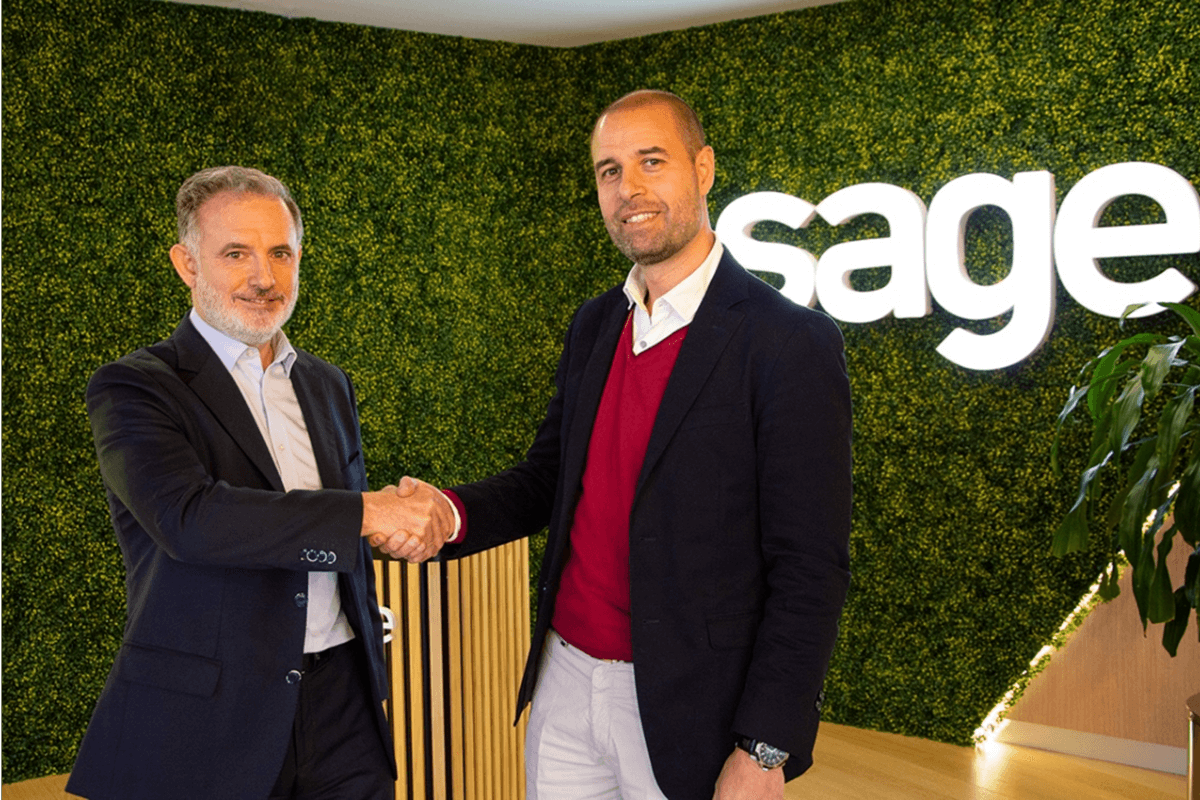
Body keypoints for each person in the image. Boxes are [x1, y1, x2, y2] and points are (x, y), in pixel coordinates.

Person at [378, 90, 853, 798]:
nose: (628, 188)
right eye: (609, 170)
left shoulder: (788, 342)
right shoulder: (596, 324)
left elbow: (810, 567)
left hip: (693, 705)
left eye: (651, 162)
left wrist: (764, 747)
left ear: (703, 168)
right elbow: (548, 478)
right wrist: (447, 514)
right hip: (564, 683)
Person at [67, 166, 452, 800]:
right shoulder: (135, 386)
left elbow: (333, 535)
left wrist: (396, 530)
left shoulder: (327, 384)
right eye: (235, 254)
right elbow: (192, 521)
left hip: (345, 710)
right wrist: (366, 513)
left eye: (280, 253)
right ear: (187, 264)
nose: (263, 277)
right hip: (209, 721)